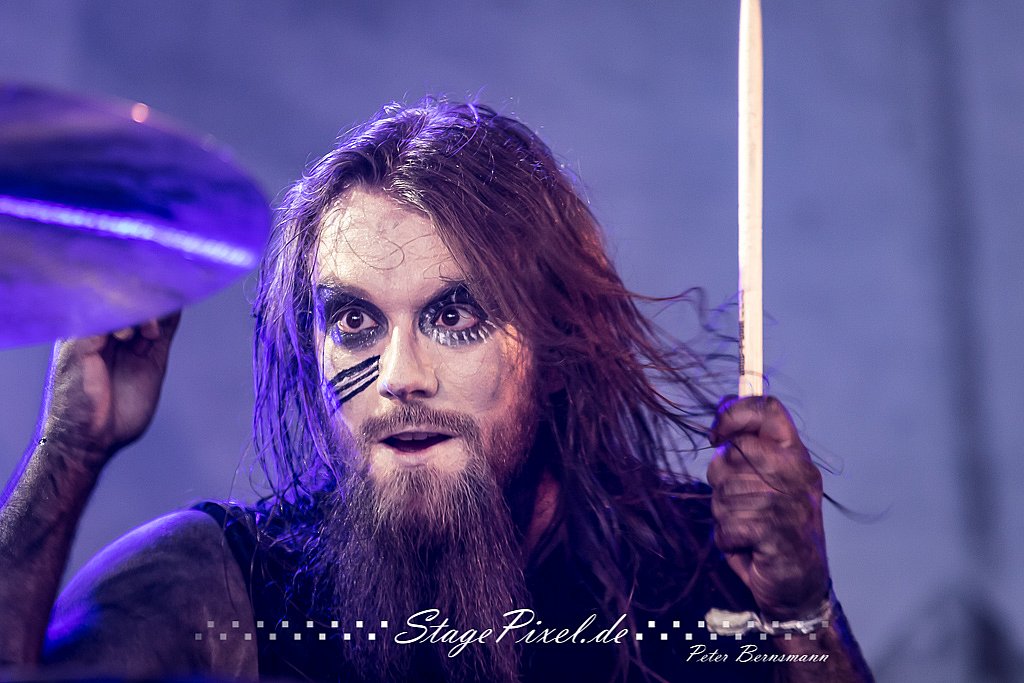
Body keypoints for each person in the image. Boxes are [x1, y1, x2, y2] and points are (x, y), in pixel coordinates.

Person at [0, 100, 874, 682]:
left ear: (556, 339)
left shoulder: (695, 565)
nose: (399, 375)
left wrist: (801, 611)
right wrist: (68, 451)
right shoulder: (223, 585)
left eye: (454, 314)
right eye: (355, 321)